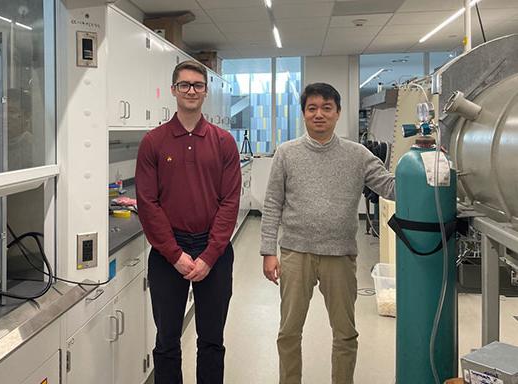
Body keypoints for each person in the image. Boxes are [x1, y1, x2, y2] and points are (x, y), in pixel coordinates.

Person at [260, 82, 395, 384]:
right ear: (304, 113)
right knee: (289, 332)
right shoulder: (286, 153)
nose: (319, 114)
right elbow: (272, 203)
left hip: (340, 255)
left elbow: (390, 187)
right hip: (296, 254)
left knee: (345, 333)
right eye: (312, 108)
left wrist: (427, 170)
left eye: (326, 108)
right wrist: (269, 251)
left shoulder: (357, 154)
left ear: (337, 113)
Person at [136, 60, 241, 384]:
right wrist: (175, 254)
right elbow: (147, 203)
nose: (191, 90)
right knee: (166, 341)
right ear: (173, 91)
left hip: (215, 251)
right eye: (185, 85)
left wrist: (210, 256)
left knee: (211, 340)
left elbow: (230, 201)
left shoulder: (223, 142)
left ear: (205, 92)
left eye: (197, 85)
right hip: (170, 253)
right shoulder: (153, 142)